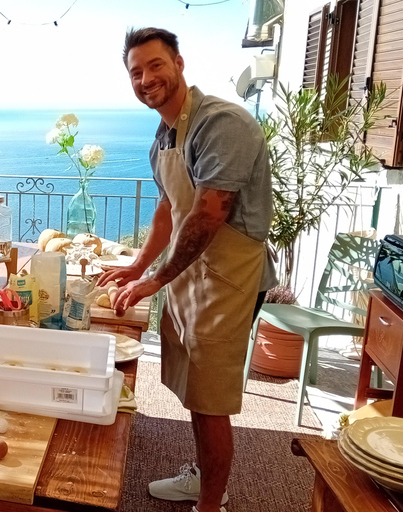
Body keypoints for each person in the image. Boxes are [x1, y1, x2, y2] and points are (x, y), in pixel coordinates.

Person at [98, 28, 277, 512]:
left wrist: (155, 279)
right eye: (135, 72)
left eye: (155, 65)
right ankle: (203, 478)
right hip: (191, 273)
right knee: (196, 390)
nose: (146, 78)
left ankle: (210, 504)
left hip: (227, 277)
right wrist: (137, 263)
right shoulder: (164, 137)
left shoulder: (221, 123)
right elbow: (167, 208)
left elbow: (209, 211)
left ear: (178, 63)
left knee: (211, 399)